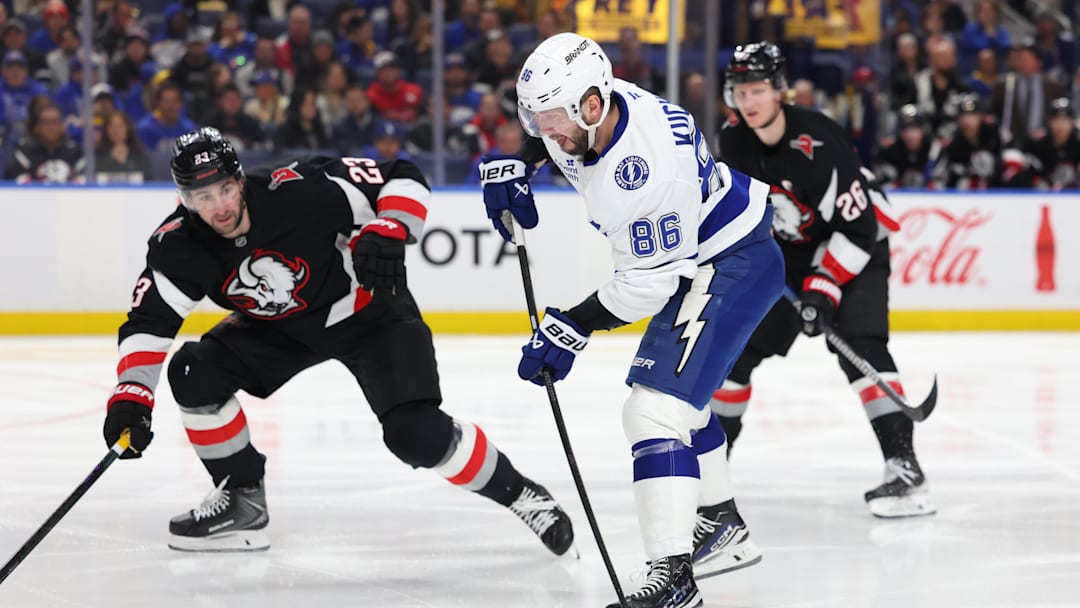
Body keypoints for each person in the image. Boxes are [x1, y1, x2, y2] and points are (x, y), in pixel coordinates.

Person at [99, 126, 576, 562]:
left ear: (240, 181)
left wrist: (392, 226)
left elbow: (401, 175)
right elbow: (149, 323)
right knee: (192, 371)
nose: (220, 207)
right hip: (276, 331)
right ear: (183, 198)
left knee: (416, 434)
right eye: (203, 196)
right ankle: (242, 500)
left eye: (225, 189)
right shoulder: (179, 244)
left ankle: (522, 495)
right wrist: (131, 396)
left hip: (367, 312)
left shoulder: (299, 189)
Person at [479, 33, 778, 608]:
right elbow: (554, 136)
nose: (548, 134)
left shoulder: (644, 176)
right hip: (710, 254)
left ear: (593, 105)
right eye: (536, 121)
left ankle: (674, 577)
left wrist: (570, 325)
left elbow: (648, 285)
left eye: (554, 122)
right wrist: (522, 162)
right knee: (683, 400)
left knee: (652, 410)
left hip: (730, 262)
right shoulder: (597, 107)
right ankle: (719, 523)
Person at [715, 42, 935, 519]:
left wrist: (824, 287)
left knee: (860, 345)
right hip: (788, 253)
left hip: (856, 243)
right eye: (739, 91)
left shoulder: (820, 140)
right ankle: (709, 471)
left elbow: (857, 228)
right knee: (734, 352)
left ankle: (904, 466)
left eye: (757, 89)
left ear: (779, 90)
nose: (748, 101)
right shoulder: (733, 140)